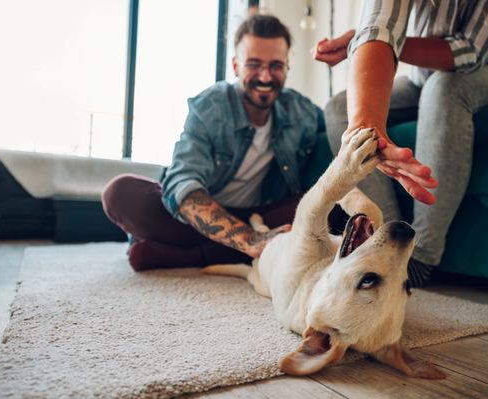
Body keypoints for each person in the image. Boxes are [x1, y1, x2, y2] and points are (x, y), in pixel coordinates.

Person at [314, 0, 488, 287]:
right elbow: (378, 27)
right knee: (339, 107)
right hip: (425, 78)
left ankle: (423, 257)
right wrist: (365, 124)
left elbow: (465, 51)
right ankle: (389, 244)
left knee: (444, 88)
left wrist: (386, 38)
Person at [102, 14, 329, 271]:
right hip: (196, 219)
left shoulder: (302, 112)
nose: (265, 77)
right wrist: (249, 240)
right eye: (254, 64)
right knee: (119, 192)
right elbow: (182, 184)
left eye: (276, 65)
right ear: (235, 66)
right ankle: (236, 252)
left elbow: (340, 142)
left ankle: (188, 257)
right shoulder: (211, 107)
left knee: (326, 204)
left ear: (287, 65)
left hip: (261, 217)